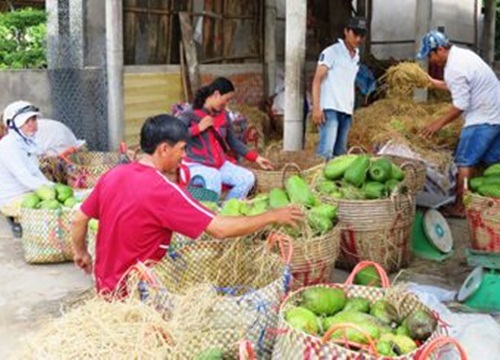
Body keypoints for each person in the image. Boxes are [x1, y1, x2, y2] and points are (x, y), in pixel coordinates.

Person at [72, 114, 303, 294]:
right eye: (182, 149)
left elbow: (79, 218)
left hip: (104, 287)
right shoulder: (163, 192)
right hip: (135, 294)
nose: (185, 155)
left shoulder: (114, 174)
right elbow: (220, 229)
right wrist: (272, 216)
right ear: (164, 149)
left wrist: (81, 253)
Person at [417, 30, 500, 217]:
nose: (430, 60)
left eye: (430, 55)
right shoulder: (463, 56)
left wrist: (436, 124)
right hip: (496, 117)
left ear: (439, 50)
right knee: (493, 163)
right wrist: (432, 83)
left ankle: (460, 208)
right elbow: (457, 85)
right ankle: (492, 206)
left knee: (464, 162)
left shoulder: (454, 67)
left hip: (481, 119)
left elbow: (460, 105)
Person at [177, 77, 273, 200]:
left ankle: (226, 210)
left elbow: (233, 141)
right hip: (195, 164)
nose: (226, 104)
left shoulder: (224, 115)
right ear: (216, 94)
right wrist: (198, 128)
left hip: (219, 164)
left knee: (248, 178)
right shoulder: (189, 113)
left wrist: (257, 158)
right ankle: (211, 214)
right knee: (213, 177)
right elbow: (174, 135)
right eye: (226, 100)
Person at [312, 17, 367, 160]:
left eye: (361, 35)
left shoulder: (356, 56)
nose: (358, 38)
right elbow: (317, 79)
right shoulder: (331, 52)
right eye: (355, 34)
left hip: (346, 110)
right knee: (325, 153)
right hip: (329, 108)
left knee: (340, 155)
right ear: (346, 32)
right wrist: (316, 108)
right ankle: (317, 181)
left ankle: (335, 183)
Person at [0, 101, 53, 237]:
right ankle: (17, 223)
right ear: (14, 125)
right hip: (13, 198)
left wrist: (52, 187)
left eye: (34, 119)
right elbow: (24, 177)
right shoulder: (8, 145)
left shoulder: (26, 142)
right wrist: (51, 187)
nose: (32, 124)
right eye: (26, 121)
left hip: (30, 193)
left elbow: (35, 173)